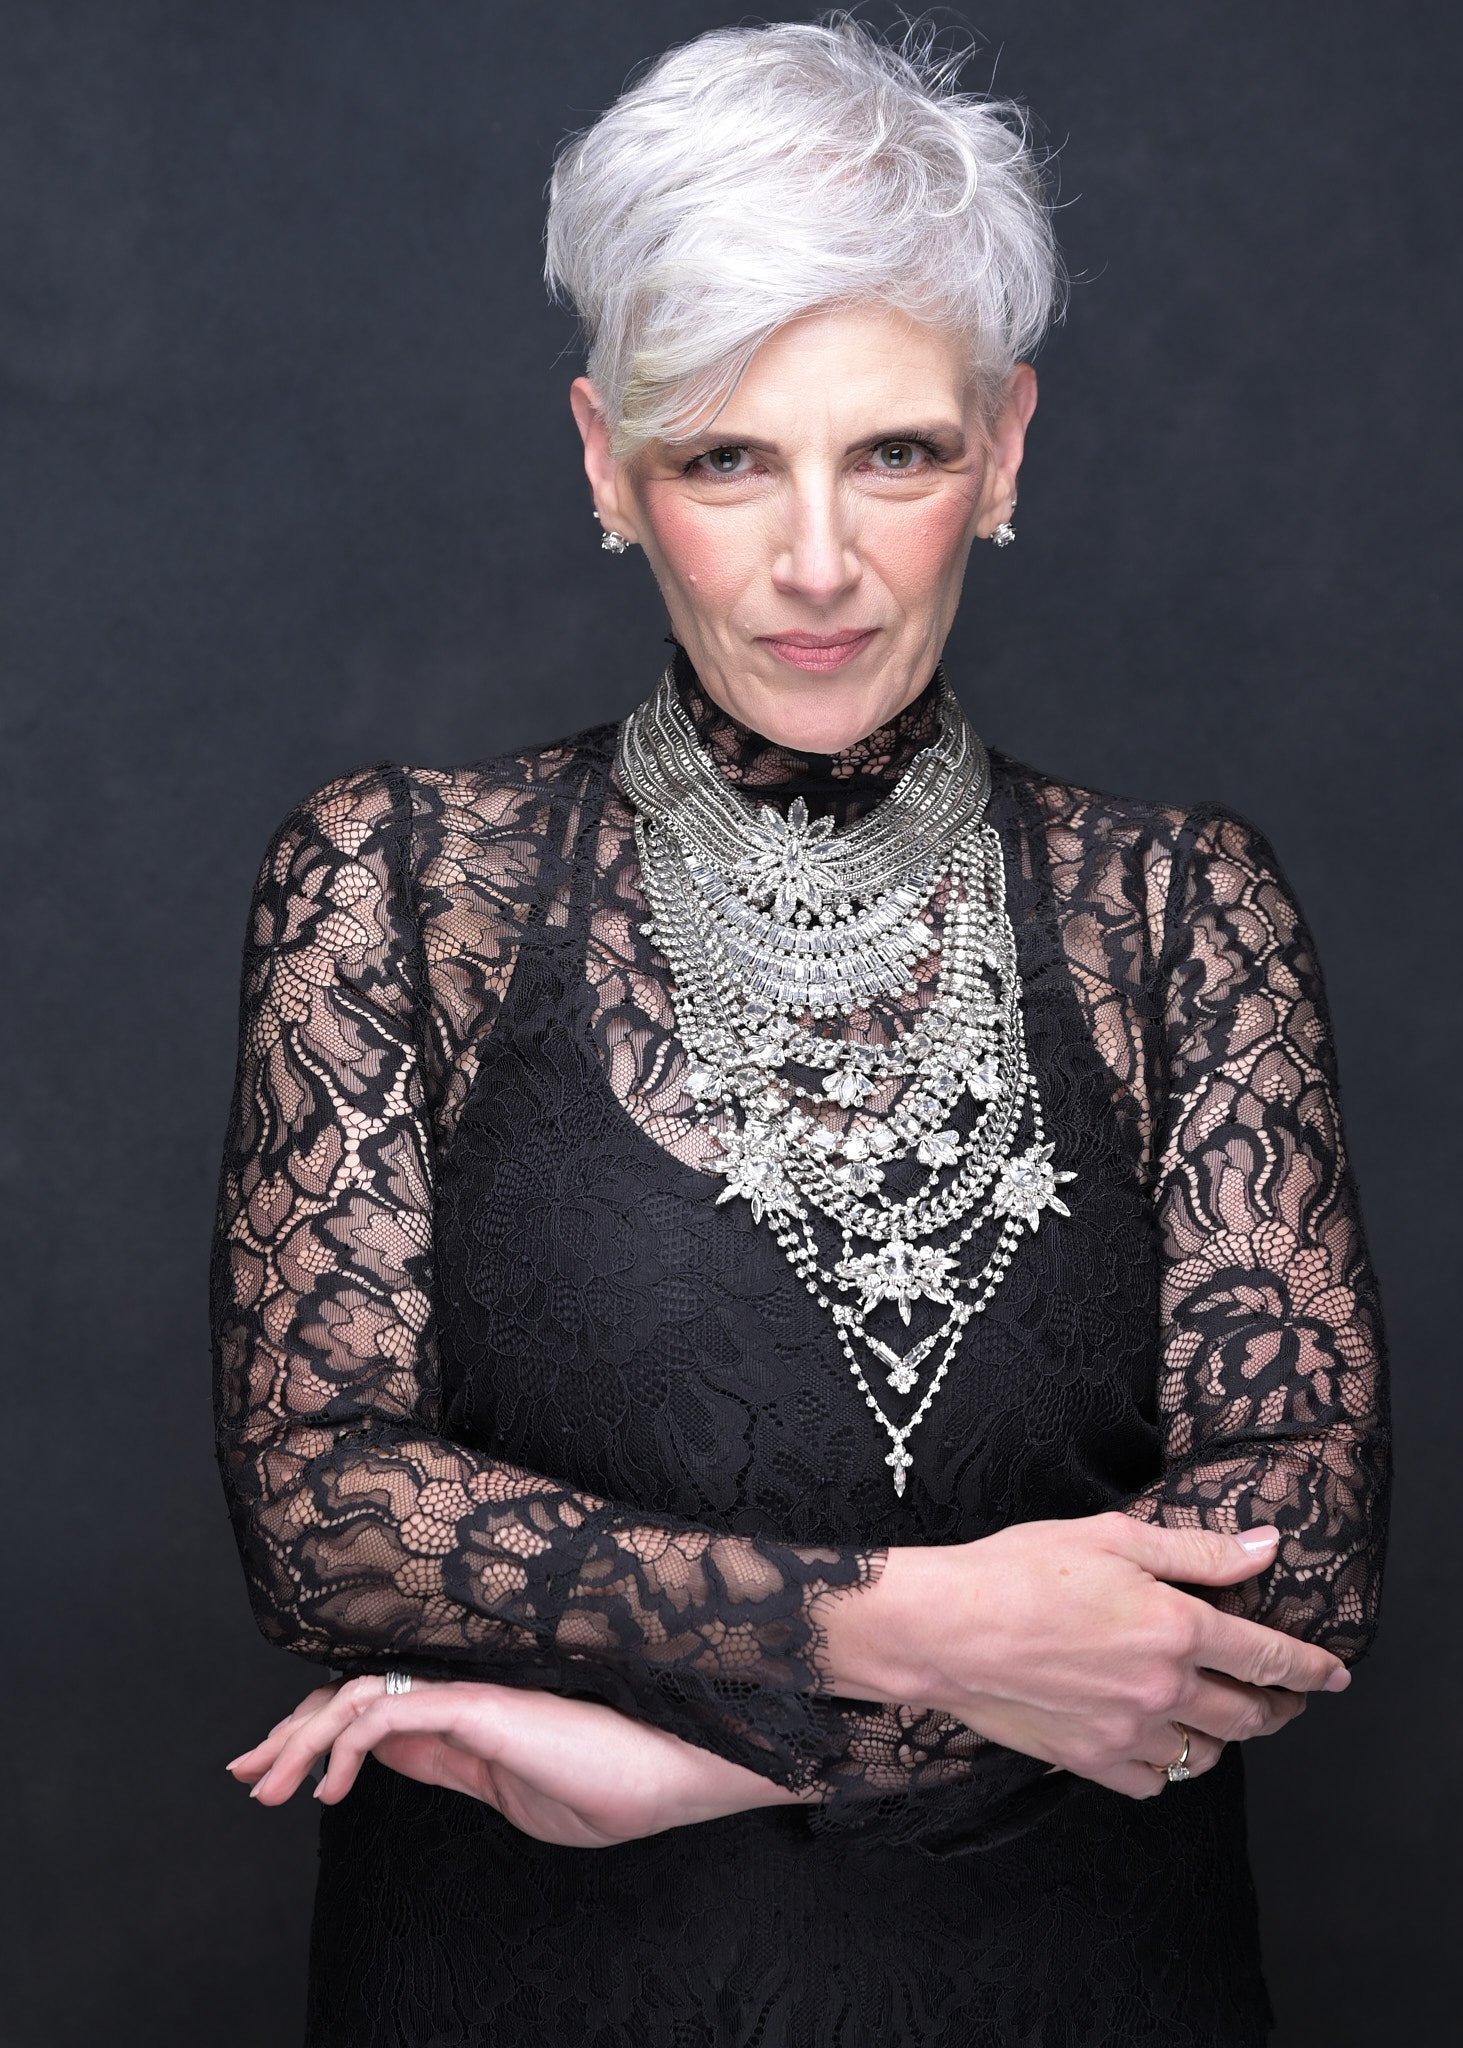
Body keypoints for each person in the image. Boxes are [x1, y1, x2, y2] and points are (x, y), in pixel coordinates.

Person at [213, 18, 1391, 2046]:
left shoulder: (1182, 906)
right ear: (606, 463)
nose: (819, 562)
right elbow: (328, 1515)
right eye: (726, 458)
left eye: (898, 453)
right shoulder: (399, 884)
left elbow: (1296, 1567)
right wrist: (915, 1621)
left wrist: (716, 1757)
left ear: (1006, 449)